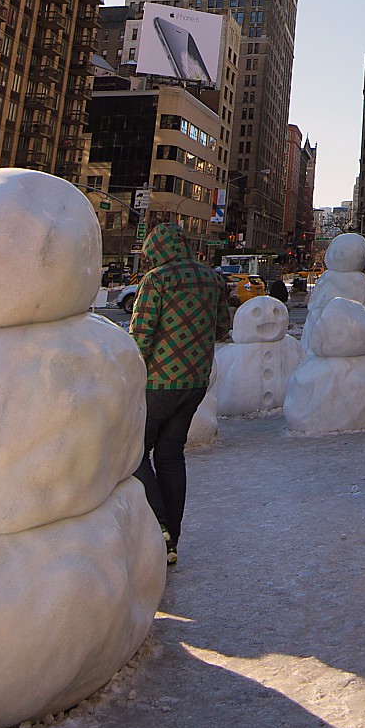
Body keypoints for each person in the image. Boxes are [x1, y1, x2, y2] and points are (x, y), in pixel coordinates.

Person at [127, 223, 224, 567]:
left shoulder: (157, 279)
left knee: (134, 451)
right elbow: (222, 327)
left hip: (158, 384)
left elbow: (141, 335)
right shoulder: (213, 278)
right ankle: (173, 539)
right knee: (170, 456)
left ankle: (160, 524)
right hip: (195, 383)